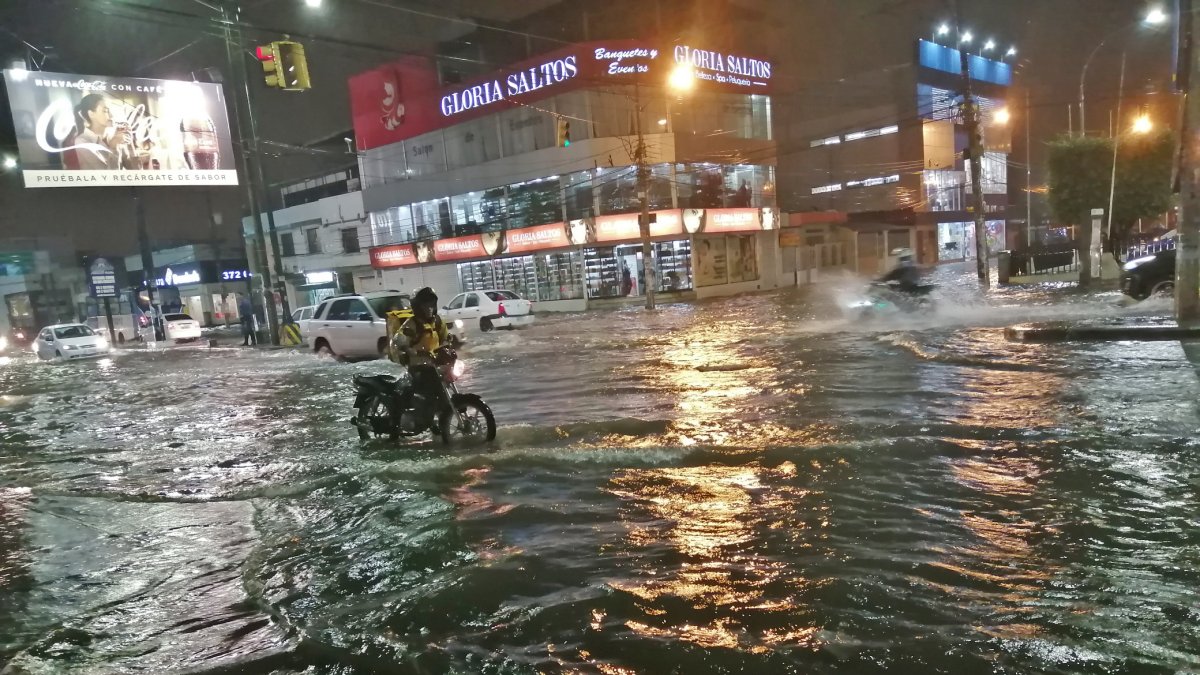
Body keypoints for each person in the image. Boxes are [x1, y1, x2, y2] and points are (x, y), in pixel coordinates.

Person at [69, 94, 138, 170]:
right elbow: (106, 177)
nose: (112, 116)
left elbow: (136, 170)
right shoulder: (82, 141)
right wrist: (114, 148)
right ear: (91, 114)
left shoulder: (114, 135)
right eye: (105, 111)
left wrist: (130, 143)